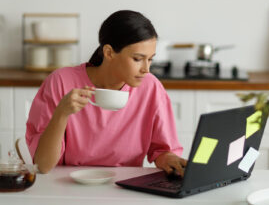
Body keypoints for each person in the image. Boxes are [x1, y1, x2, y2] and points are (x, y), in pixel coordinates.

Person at [26, 10, 187, 176]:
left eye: (150, 59)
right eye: (138, 59)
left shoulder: (150, 87)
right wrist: (61, 114)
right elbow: (43, 165)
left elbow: (161, 152)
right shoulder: (60, 82)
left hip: (124, 187)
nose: (146, 69)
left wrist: (169, 159)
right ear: (109, 52)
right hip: (68, 185)